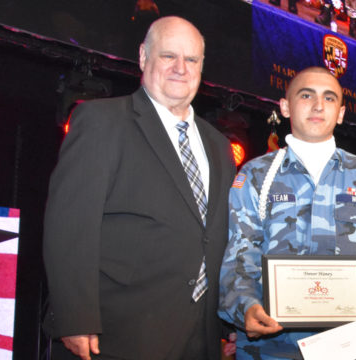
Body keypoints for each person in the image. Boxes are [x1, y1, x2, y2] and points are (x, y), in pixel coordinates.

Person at [42, 16, 235, 360]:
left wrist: (227, 321)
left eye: (191, 60)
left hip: (200, 334)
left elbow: (215, 235)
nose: (181, 68)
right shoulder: (102, 121)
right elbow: (69, 226)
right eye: (168, 56)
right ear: (144, 57)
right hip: (117, 331)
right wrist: (75, 316)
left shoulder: (219, 144)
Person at [218, 67, 356, 359]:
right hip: (271, 346)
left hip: (351, 343)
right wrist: (245, 306)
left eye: (329, 98)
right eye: (306, 95)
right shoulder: (256, 174)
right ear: (285, 106)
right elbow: (239, 251)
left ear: (341, 113)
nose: (319, 106)